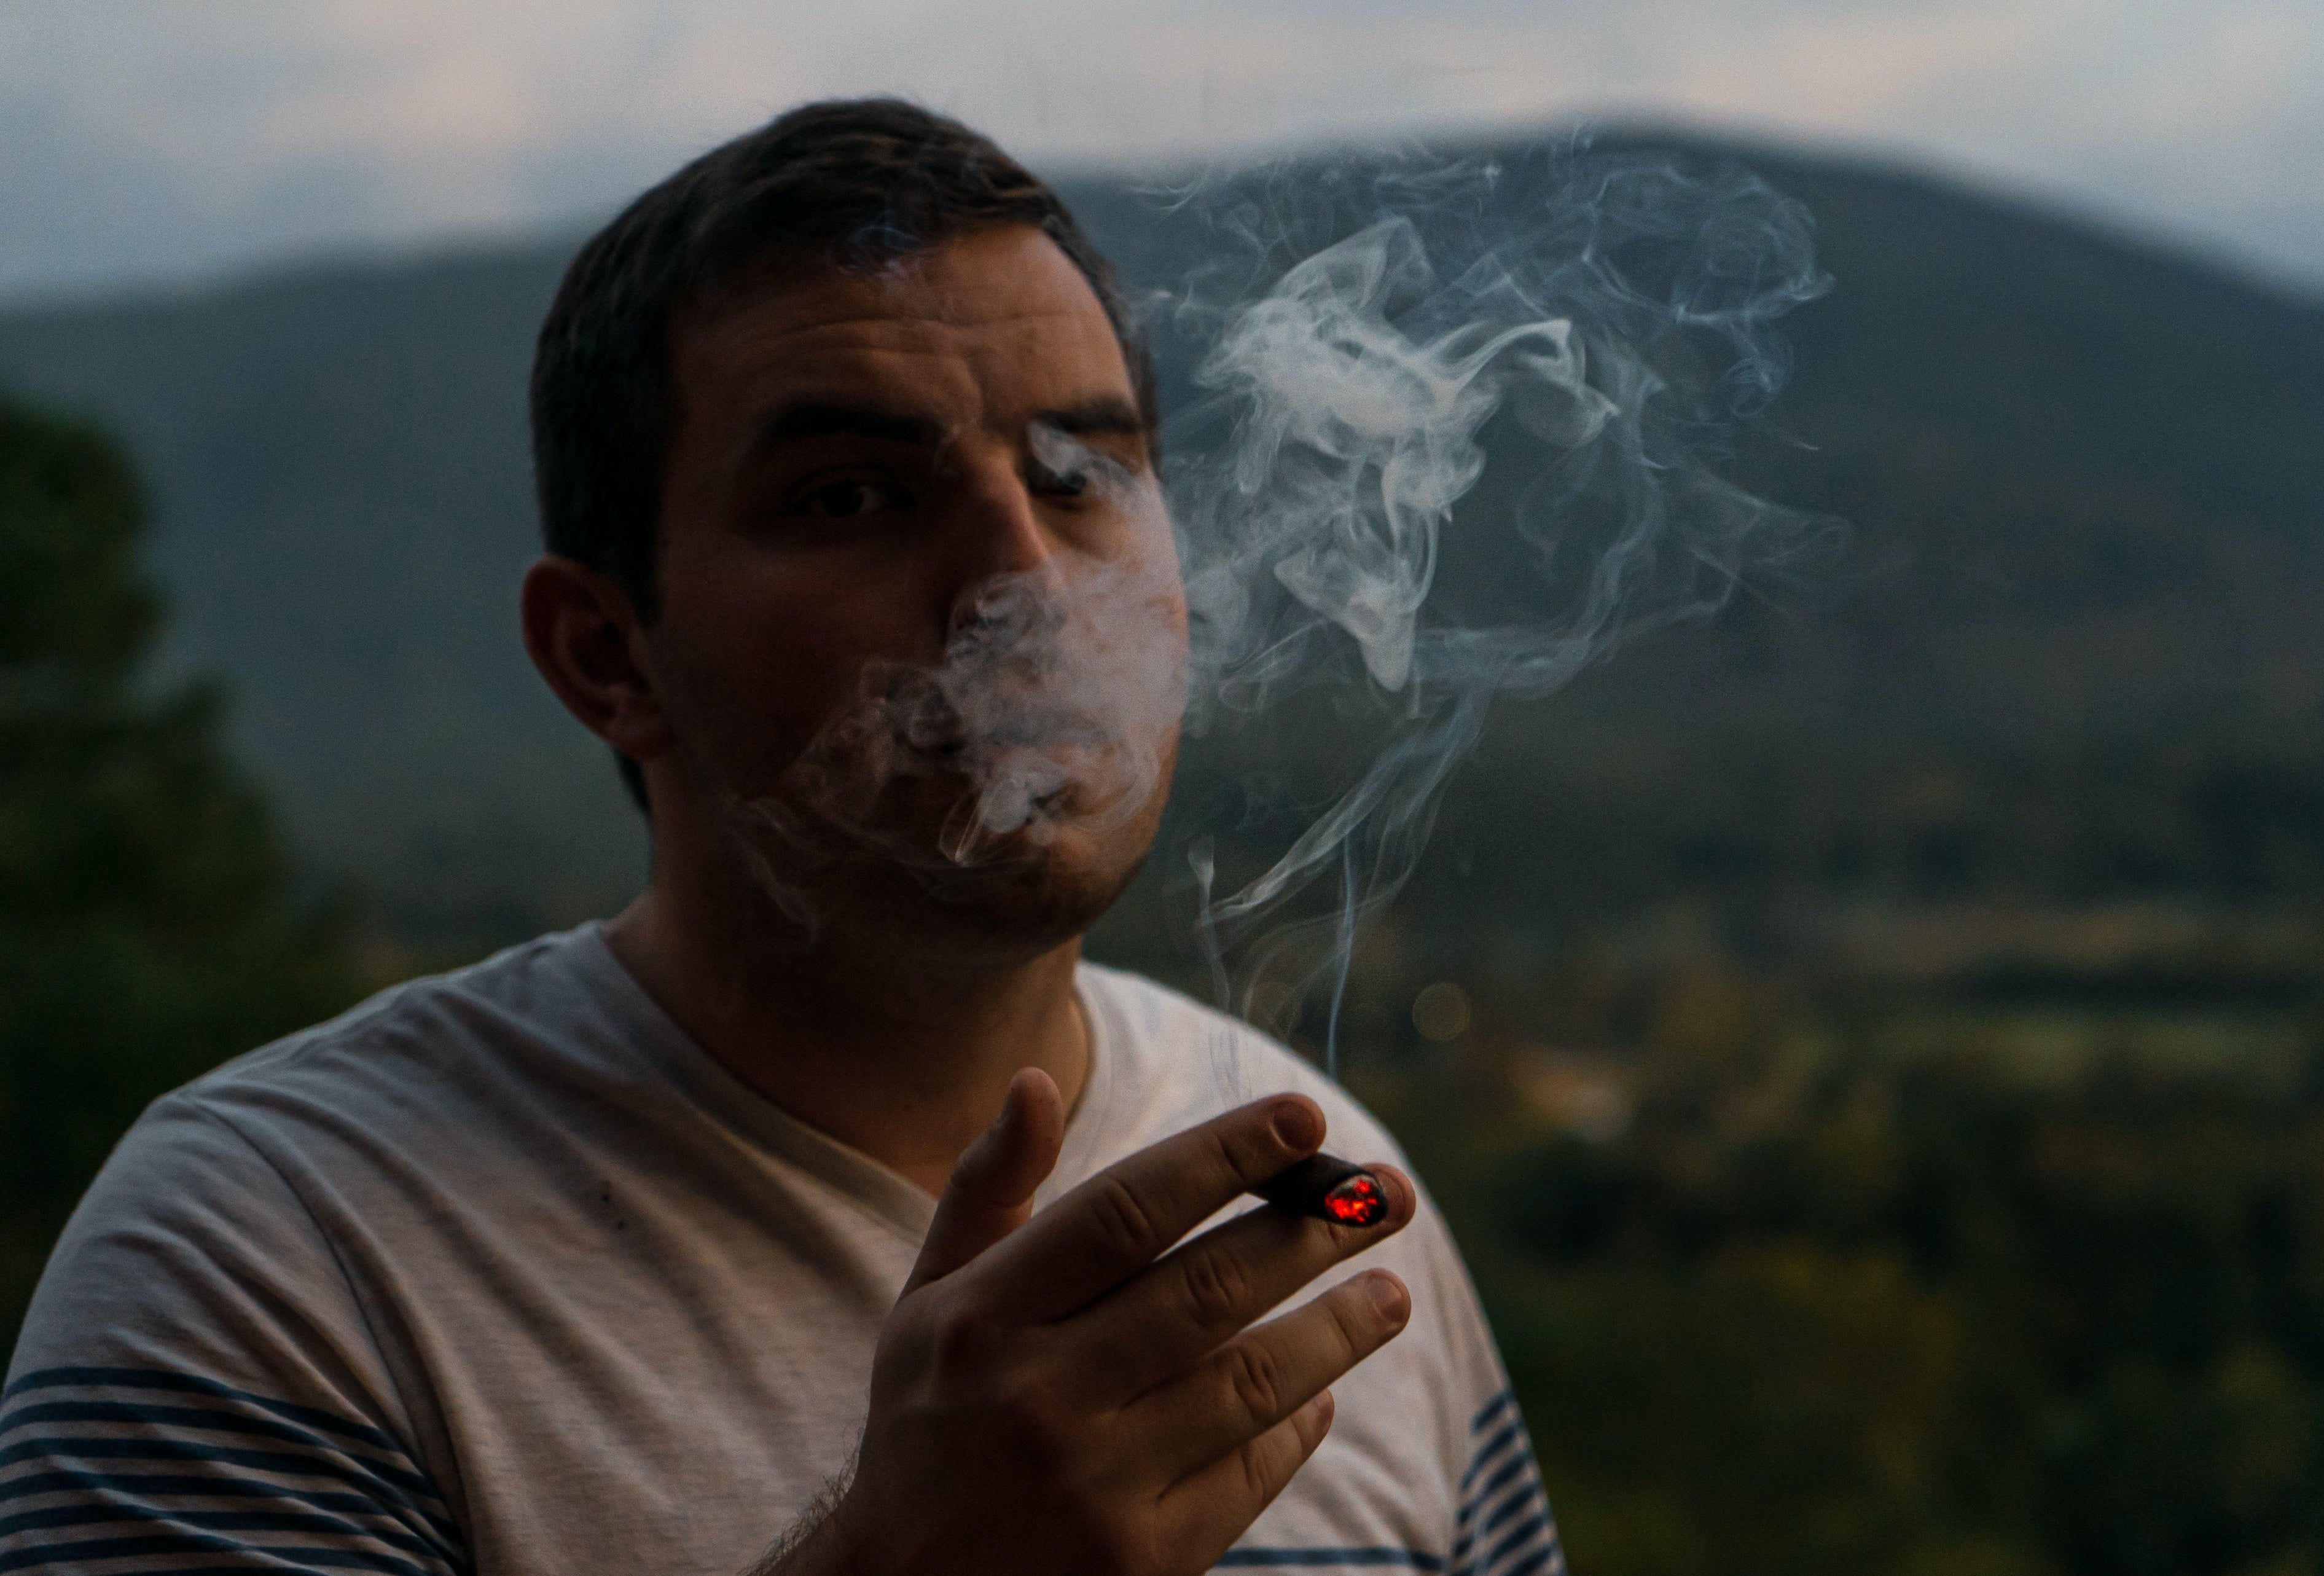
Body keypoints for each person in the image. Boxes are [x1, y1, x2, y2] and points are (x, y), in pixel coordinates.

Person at [1, 99, 1562, 1576]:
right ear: (609, 657)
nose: (1021, 578)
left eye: (1083, 473)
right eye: (851, 496)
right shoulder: (273, 1259)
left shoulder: (1336, 1210)